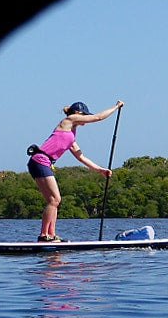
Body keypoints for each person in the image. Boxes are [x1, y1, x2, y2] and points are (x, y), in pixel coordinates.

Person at [26, 100, 123, 242]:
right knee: (55, 199)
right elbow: (98, 117)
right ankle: (43, 235)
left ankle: (51, 235)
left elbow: (81, 157)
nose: (86, 118)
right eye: (85, 115)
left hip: (40, 162)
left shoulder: (71, 136)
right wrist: (116, 107)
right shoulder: (68, 120)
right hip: (40, 161)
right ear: (78, 113)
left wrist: (100, 170)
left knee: (53, 200)